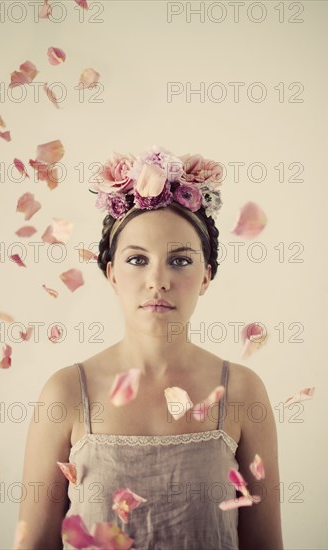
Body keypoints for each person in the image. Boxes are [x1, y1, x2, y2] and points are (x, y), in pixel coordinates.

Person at [16, 146, 284, 550]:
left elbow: (265, 545)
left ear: (207, 276)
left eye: (179, 261)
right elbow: (33, 544)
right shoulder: (67, 392)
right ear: (111, 274)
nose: (157, 280)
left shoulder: (243, 391)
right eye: (138, 260)